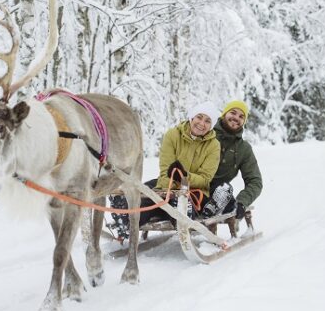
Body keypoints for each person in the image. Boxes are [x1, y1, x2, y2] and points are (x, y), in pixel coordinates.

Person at [109, 101, 221, 237]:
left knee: (179, 202)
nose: (202, 123)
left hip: (194, 190)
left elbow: (205, 178)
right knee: (145, 199)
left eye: (208, 121)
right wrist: (172, 188)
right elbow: (165, 169)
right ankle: (125, 217)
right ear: (192, 117)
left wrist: (185, 177)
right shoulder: (173, 135)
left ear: (211, 125)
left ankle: (180, 211)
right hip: (166, 184)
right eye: (199, 117)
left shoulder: (213, 145)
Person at [200, 100, 263, 227]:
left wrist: (242, 202)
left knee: (224, 189)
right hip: (194, 186)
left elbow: (255, 181)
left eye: (241, 116)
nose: (236, 118)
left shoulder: (243, 149)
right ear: (224, 114)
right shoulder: (206, 133)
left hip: (219, 192)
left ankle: (213, 209)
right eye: (233, 113)